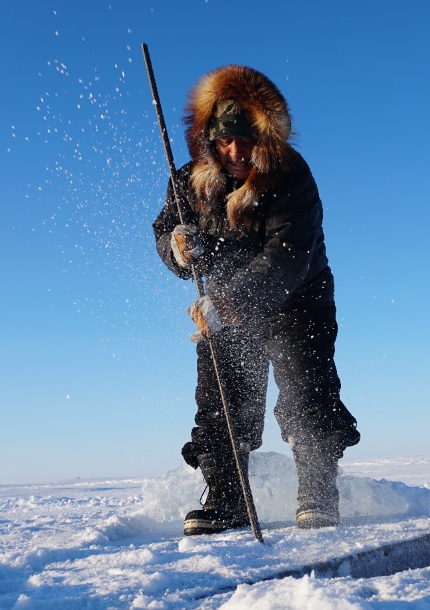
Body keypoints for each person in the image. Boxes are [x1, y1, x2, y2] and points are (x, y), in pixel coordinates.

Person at [153, 64, 360, 535]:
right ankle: (229, 500)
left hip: (297, 301)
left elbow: (287, 258)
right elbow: (165, 230)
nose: (235, 151)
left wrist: (229, 303)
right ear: (209, 139)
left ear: (266, 138)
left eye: (246, 140)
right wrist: (178, 248)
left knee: (307, 394)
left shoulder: (291, 177)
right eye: (224, 141)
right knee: (221, 400)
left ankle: (317, 494)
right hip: (223, 309)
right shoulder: (190, 181)